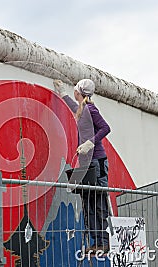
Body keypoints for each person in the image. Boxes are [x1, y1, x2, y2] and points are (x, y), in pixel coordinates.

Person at [54, 78, 111, 253]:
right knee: (88, 202)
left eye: (74, 90)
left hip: (97, 162)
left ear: (79, 91)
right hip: (87, 163)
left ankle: (104, 241)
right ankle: (96, 242)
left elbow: (105, 128)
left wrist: (89, 143)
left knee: (98, 202)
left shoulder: (91, 109)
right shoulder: (82, 108)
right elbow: (74, 107)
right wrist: (62, 93)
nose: (73, 92)